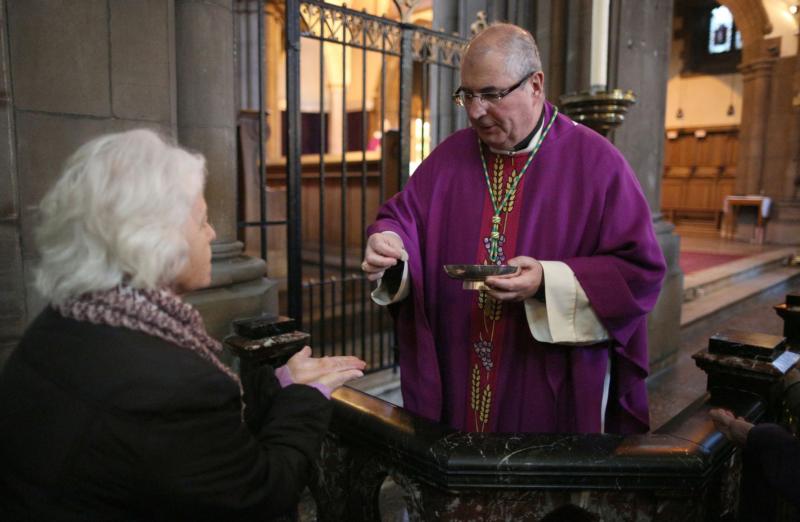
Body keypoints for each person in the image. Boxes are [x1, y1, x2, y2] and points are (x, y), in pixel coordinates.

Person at [0, 129, 366, 519]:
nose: (211, 234)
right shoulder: (172, 388)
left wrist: (278, 389)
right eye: (203, 220)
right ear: (157, 238)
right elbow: (260, 496)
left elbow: (181, 463)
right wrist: (304, 399)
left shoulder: (61, 321)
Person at [361, 23, 665, 434]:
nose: (474, 111)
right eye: (467, 94)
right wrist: (390, 242)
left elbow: (640, 272)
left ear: (536, 85)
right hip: (457, 369)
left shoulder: (596, 163)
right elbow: (404, 217)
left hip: (540, 378)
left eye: (490, 94)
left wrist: (548, 280)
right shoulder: (450, 157)